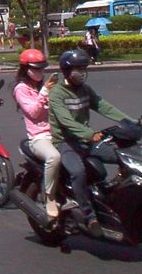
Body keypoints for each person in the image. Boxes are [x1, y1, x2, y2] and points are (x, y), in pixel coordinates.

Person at [48, 48, 134, 237]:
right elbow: (65, 121)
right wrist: (89, 134)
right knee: (78, 172)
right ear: (66, 71)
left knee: (124, 156)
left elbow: (104, 106)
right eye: (77, 68)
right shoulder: (56, 93)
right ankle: (90, 216)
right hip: (65, 143)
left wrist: (130, 122)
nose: (82, 72)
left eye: (83, 68)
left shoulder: (85, 90)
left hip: (86, 141)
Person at [13, 49, 61, 220]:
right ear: (26, 69)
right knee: (54, 157)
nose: (40, 72)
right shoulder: (21, 89)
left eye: (42, 69)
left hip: (58, 132)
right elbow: (33, 112)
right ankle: (50, 197)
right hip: (39, 137)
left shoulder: (43, 86)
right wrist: (45, 93)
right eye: (36, 69)